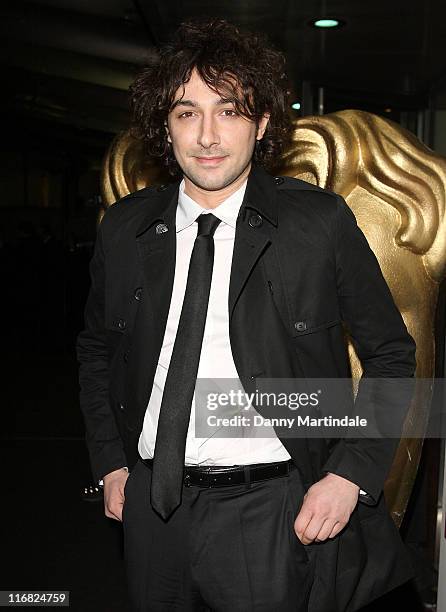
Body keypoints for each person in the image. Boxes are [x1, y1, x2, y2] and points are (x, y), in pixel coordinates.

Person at [77, 17, 417, 612]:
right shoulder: (127, 229)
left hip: (268, 514)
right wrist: (109, 460)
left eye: (229, 110)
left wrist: (350, 475)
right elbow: (96, 351)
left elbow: (392, 353)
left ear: (262, 124)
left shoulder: (317, 224)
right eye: (187, 112)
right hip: (151, 508)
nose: (208, 135)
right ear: (165, 125)